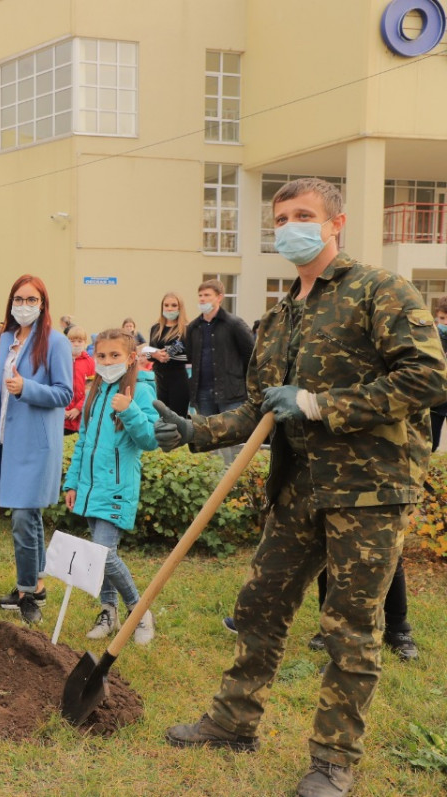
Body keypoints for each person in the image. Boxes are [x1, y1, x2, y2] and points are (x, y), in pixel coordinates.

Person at [154, 177, 447, 797]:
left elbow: (427, 377)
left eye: (304, 215)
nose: (290, 226)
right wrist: (196, 431)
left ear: (336, 223)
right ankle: (234, 722)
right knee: (261, 605)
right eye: (282, 216)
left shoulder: (379, 291)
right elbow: (261, 407)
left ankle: (333, 761)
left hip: (369, 490)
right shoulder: (282, 313)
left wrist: (318, 403)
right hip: (299, 487)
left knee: (348, 628)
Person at [62, 329, 159, 644]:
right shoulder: (96, 391)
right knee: (96, 553)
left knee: (103, 554)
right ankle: (108, 611)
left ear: (131, 358)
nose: (107, 361)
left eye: (114, 355)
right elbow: (84, 442)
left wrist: (128, 410)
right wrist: (73, 482)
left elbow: (150, 439)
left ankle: (139, 610)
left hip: (117, 488)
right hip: (91, 488)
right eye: (102, 356)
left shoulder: (141, 391)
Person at [0, 275, 73, 623]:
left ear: (42, 304)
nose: (24, 305)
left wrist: (27, 387)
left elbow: (64, 393)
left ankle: (27, 591)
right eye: (18, 299)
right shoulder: (8, 339)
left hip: (37, 445)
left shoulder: (55, 342)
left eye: (31, 300)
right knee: (29, 517)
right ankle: (36, 585)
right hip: (8, 442)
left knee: (24, 517)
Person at [186, 279, 254, 417]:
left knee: (232, 435)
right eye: (200, 295)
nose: (202, 299)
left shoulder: (234, 324)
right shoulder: (193, 327)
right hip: (203, 393)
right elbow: (190, 356)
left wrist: (245, 384)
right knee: (208, 435)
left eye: (207, 295)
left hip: (231, 393)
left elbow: (251, 355)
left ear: (219, 297)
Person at [148, 292, 191, 417]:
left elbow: (187, 353)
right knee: (163, 418)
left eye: (173, 305)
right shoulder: (155, 328)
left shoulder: (187, 329)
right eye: (166, 305)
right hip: (160, 379)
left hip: (178, 379)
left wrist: (165, 354)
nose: (169, 308)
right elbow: (148, 354)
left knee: (178, 419)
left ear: (180, 308)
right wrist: (155, 354)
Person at [63, 325, 94, 436]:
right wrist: (62, 410)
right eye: (72, 341)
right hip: (62, 417)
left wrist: (78, 408)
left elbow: (92, 389)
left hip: (81, 417)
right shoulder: (61, 360)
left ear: (85, 342)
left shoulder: (90, 363)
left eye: (79, 341)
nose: (76, 344)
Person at [431, 297, 447, 452]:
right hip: (436, 400)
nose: (445, 322)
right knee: (431, 444)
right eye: (442, 318)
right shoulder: (431, 337)